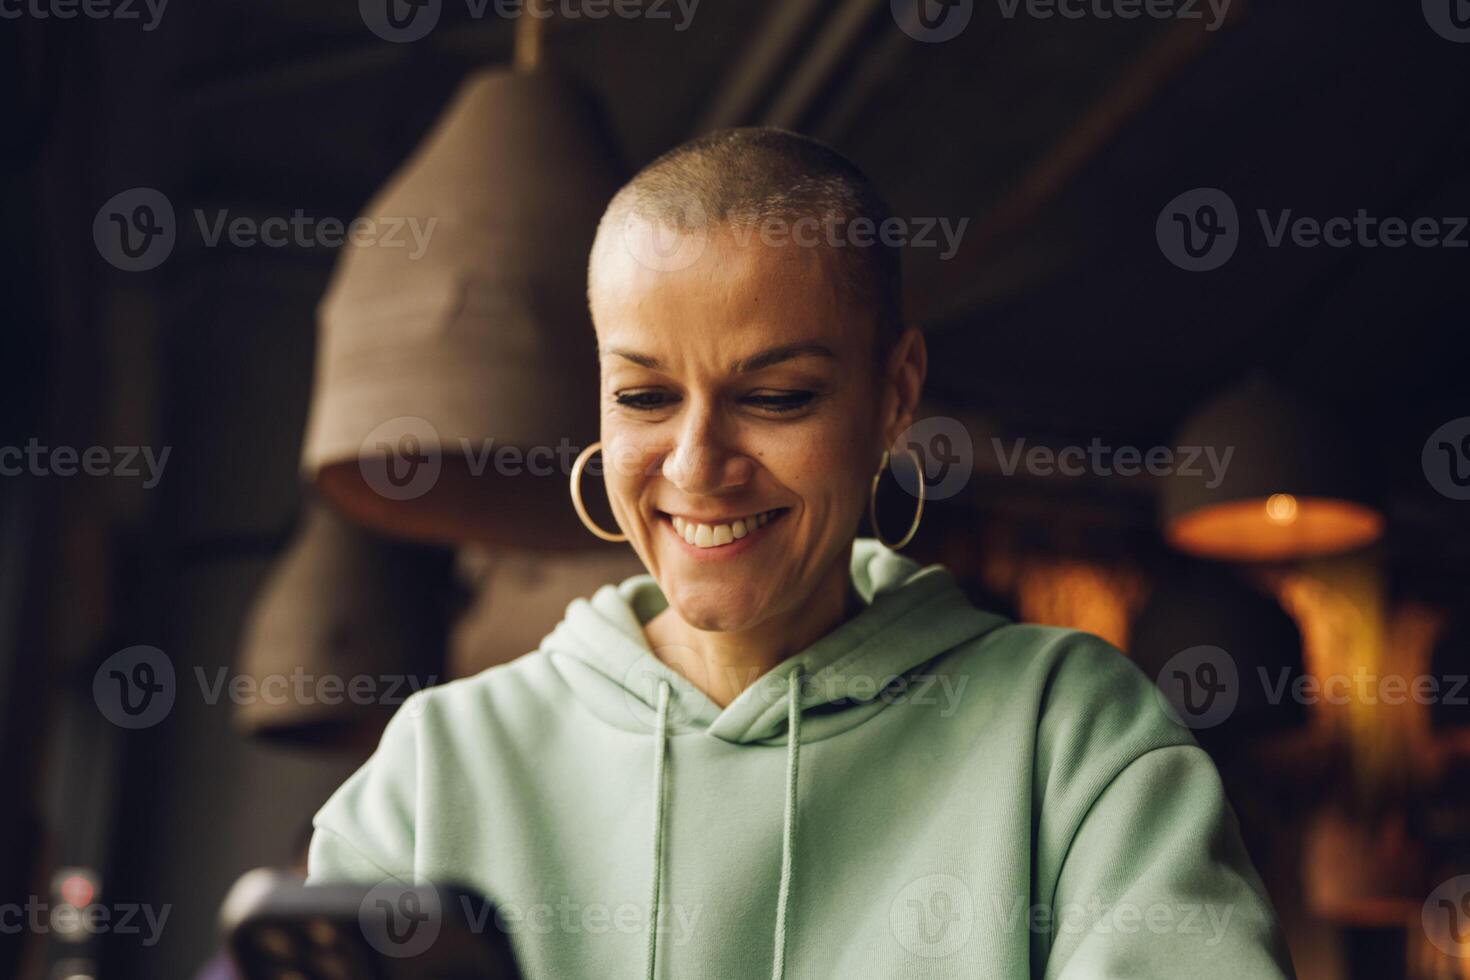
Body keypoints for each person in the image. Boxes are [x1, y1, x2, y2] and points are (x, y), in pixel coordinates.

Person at [308, 128, 1295, 979]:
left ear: (896, 394)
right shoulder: (436, 768)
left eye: (776, 397)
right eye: (644, 397)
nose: (697, 467)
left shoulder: (1074, 735)